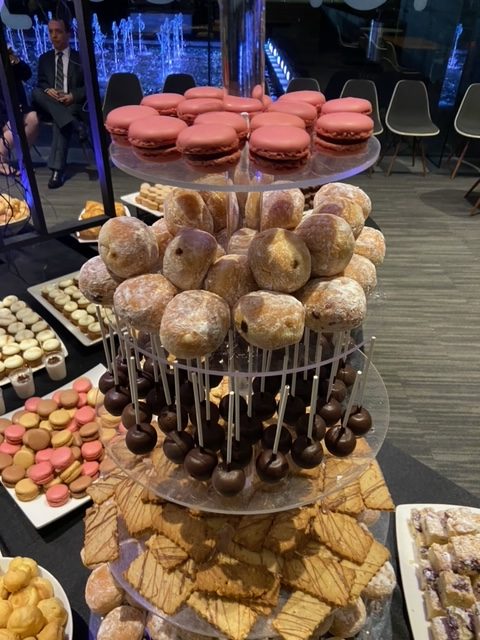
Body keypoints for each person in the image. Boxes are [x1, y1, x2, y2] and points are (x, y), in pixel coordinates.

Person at [31, 17, 86, 189]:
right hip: (49, 103)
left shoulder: (80, 58)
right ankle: (75, 125)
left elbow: (90, 87)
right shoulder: (44, 58)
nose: (54, 36)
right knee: (36, 92)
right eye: (50, 32)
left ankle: (57, 171)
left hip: (70, 104)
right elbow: (41, 83)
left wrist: (72, 96)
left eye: (58, 31)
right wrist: (48, 90)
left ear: (68, 34)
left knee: (60, 120)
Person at [0, 48, 39, 177]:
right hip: (3, 112)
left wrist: (15, 60)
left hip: (16, 107)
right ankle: (1, 161)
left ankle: (24, 159)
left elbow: (26, 74)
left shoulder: (8, 59)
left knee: (32, 118)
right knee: (14, 123)